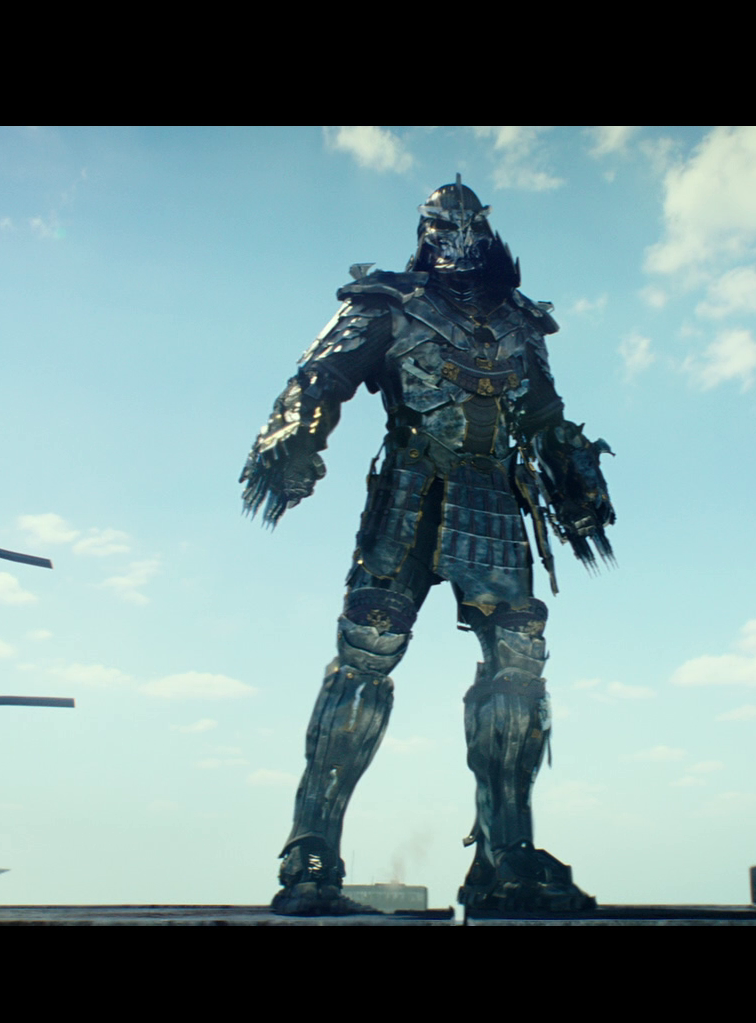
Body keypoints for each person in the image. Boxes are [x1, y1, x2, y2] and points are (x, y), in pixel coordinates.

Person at [241, 177, 616, 914]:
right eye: (445, 227)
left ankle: (505, 854)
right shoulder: (388, 302)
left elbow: (541, 414)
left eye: (470, 226)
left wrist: (575, 476)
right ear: (426, 232)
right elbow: (320, 378)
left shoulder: (520, 322)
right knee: (366, 652)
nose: (460, 239)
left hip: (494, 499)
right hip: (411, 492)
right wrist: (294, 438)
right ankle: (310, 849)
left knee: (518, 665)